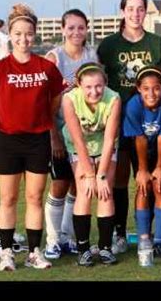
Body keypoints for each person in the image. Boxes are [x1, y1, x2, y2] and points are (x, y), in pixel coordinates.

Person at [0, 3, 65, 271]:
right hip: (8, 141)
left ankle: (34, 252)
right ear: (10, 34)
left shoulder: (46, 68)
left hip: (38, 140)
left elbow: (56, 99)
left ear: (34, 34)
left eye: (28, 33)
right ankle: (6, 253)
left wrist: (40, 121)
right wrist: (2, 123)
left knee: (34, 198)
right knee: (8, 199)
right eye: (17, 33)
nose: (23, 39)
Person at [97, 0, 161, 255]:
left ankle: (148, 233)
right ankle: (118, 232)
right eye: (131, 8)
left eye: (140, 9)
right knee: (121, 178)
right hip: (120, 119)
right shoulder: (109, 45)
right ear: (122, 11)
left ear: (145, 12)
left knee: (150, 178)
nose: (135, 13)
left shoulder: (155, 43)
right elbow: (100, 80)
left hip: (151, 120)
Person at [43, 9, 98, 260]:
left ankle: (66, 237)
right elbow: (45, 103)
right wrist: (54, 136)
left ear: (87, 29)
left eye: (81, 27)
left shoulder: (90, 55)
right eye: (71, 27)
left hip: (84, 134)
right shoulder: (55, 58)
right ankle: (52, 240)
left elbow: (96, 91)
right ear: (63, 29)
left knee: (79, 185)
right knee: (59, 184)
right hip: (60, 133)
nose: (76, 32)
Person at [61, 63, 121, 266]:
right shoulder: (69, 100)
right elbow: (77, 140)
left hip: (105, 146)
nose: (94, 91)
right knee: (84, 191)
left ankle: (105, 248)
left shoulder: (113, 98)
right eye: (88, 87)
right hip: (79, 148)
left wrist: (101, 175)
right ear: (79, 84)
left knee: (105, 192)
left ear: (105, 83)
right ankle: (83, 249)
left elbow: (110, 139)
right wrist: (89, 174)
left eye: (98, 86)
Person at [123, 66, 161, 264]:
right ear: (139, 88)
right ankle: (143, 238)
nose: (151, 93)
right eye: (146, 88)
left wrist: (160, 167)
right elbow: (139, 138)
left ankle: (160, 242)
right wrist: (142, 169)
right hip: (140, 150)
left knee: (160, 187)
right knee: (143, 187)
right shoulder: (133, 105)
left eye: (156, 88)